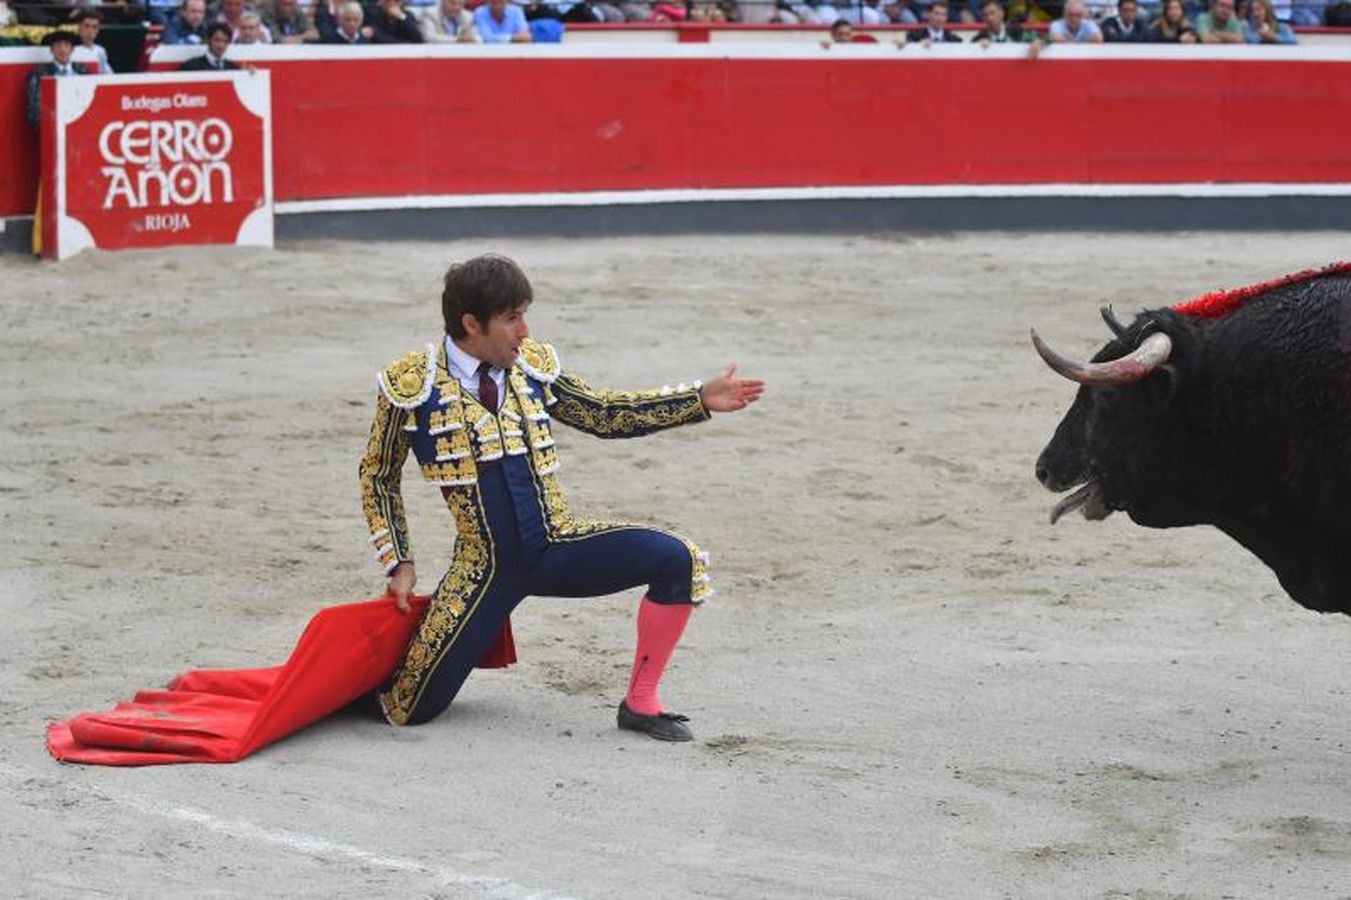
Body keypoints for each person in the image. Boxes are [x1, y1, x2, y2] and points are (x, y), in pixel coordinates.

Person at [359, 255, 763, 740]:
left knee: (680, 561)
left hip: (558, 546)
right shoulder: (412, 386)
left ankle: (641, 702)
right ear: (472, 323)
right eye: (511, 318)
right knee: (406, 708)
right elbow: (378, 475)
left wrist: (697, 399)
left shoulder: (531, 367)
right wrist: (399, 560)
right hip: (482, 571)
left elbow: (603, 413)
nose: (525, 331)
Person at [26, 29, 88, 130]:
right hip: (53, 128)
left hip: (80, 126)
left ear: (72, 49)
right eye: (58, 45)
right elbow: (34, 111)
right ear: (51, 49)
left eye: (67, 45)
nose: (63, 49)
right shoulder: (40, 73)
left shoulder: (82, 71)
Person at [73, 8, 113, 72]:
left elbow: (108, 76)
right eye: (87, 26)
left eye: (94, 27)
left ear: (98, 30)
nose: (90, 31)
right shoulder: (68, 50)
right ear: (79, 26)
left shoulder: (100, 51)